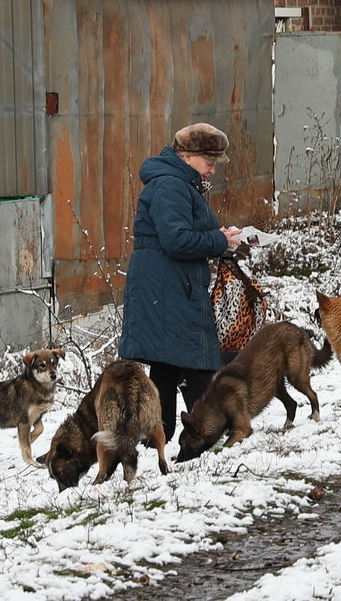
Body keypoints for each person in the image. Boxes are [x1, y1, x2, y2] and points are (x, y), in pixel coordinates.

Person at [119, 123, 243, 442]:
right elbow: (175, 239)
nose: (213, 169)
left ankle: (159, 437)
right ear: (188, 157)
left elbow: (181, 234)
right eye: (209, 161)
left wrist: (220, 238)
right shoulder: (172, 186)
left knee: (168, 364)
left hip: (168, 283)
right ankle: (207, 434)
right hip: (168, 285)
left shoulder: (177, 183)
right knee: (197, 362)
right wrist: (218, 241)